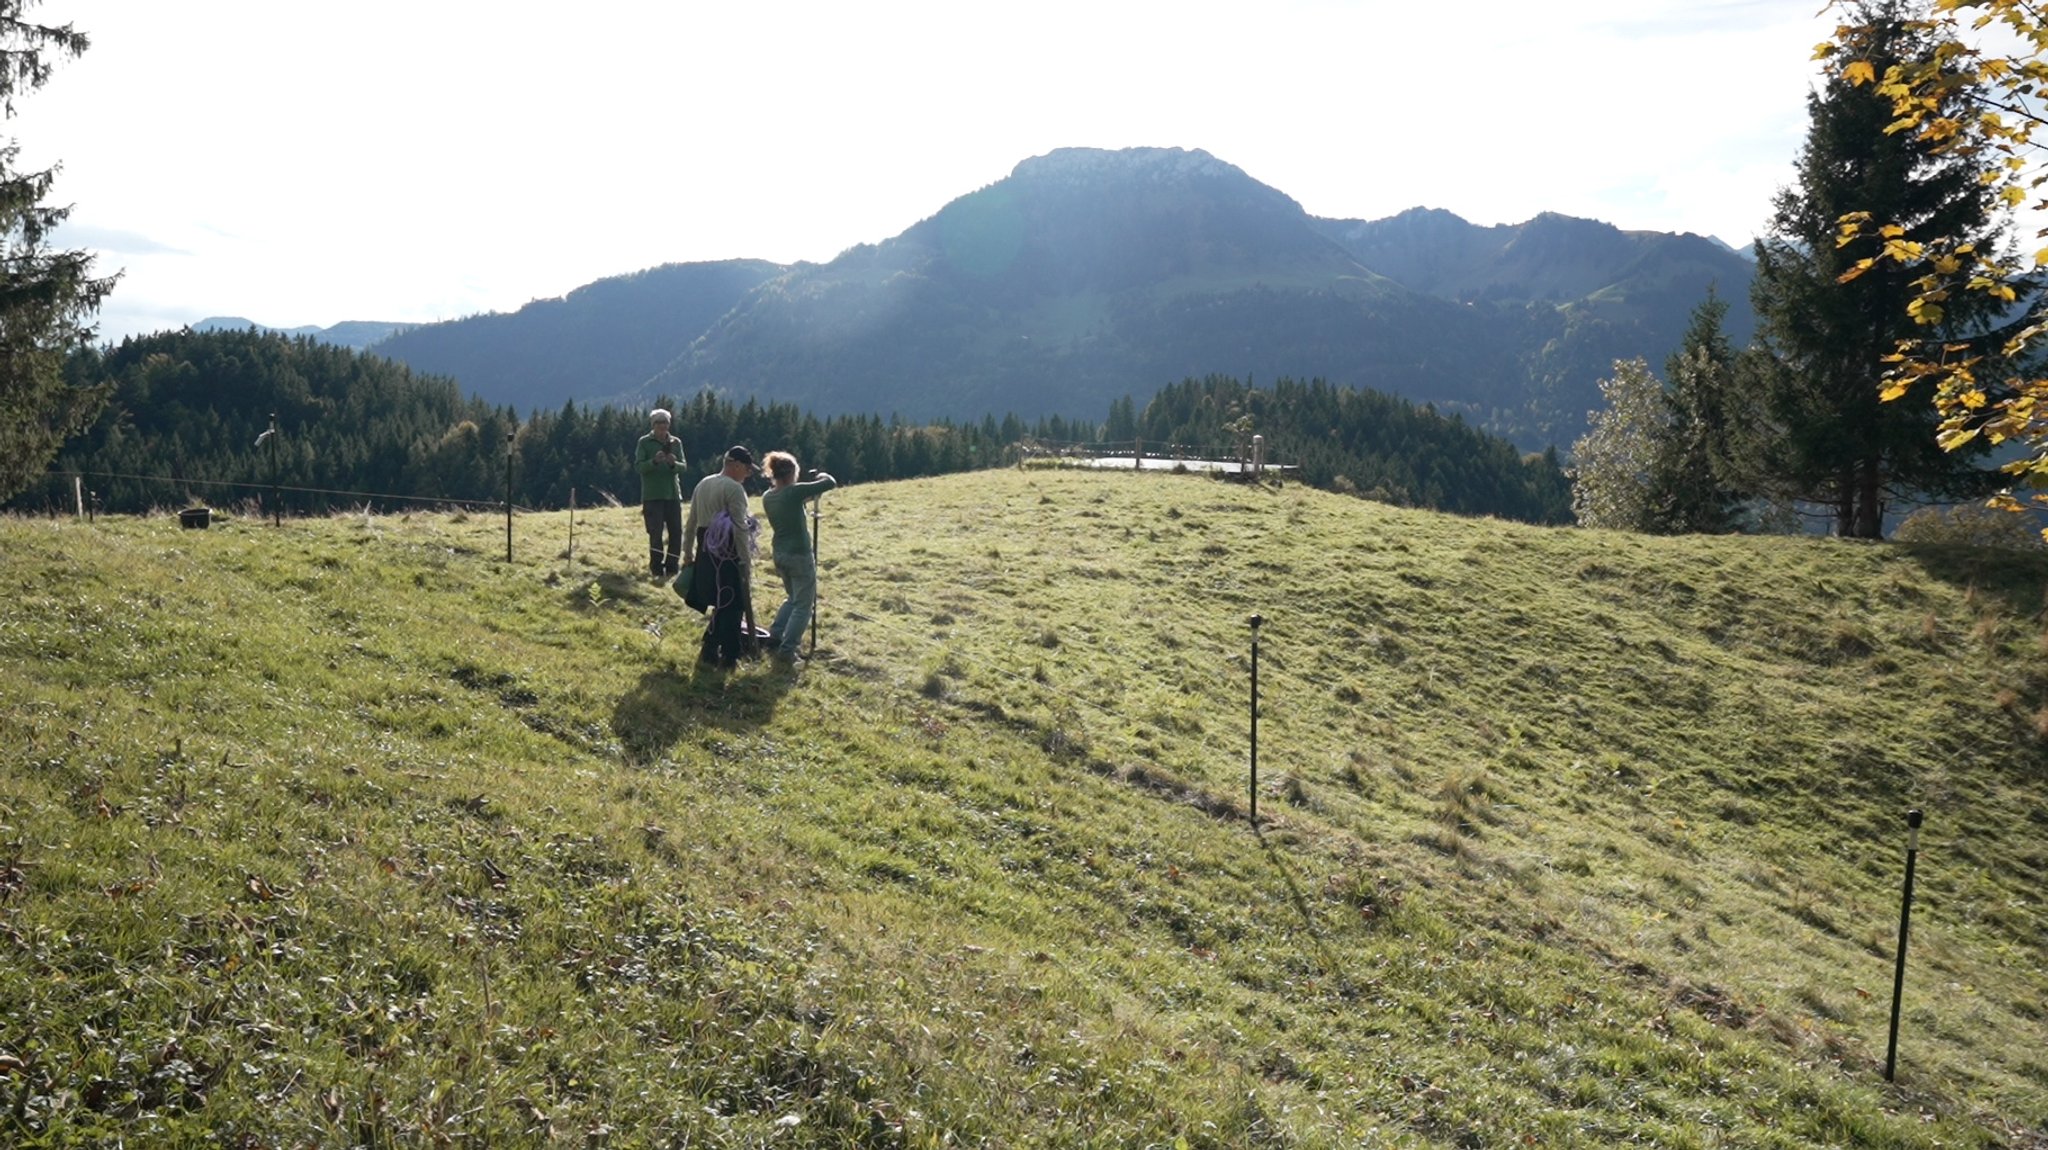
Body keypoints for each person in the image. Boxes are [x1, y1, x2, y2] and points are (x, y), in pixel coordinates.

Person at [682, 445, 760, 669]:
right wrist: (745, 561)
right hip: (726, 551)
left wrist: (687, 552)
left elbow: (691, 521)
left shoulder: (703, 483)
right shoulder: (734, 489)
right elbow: (739, 527)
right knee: (734, 604)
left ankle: (709, 648)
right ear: (735, 465)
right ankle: (729, 656)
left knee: (720, 601)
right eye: (746, 469)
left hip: (705, 547)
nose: (748, 474)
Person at [759, 451, 837, 666]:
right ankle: (788, 649)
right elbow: (830, 483)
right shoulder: (793, 492)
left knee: (793, 598)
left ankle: (775, 634)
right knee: (804, 605)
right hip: (799, 554)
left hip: (780, 553)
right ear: (792, 472)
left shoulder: (769, 496)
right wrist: (820, 476)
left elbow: (795, 501)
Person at [634, 408, 687, 578]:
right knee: (655, 533)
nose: (663, 427)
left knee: (676, 532)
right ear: (653, 425)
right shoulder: (644, 442)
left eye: (665, 423)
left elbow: (684, 467)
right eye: (659, 424)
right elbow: (639, 467)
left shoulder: (676, 443)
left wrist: (673, 464)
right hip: (652, 496)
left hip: (672, 495)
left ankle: (672, 567)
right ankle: (656, 568)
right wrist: (654, 461)